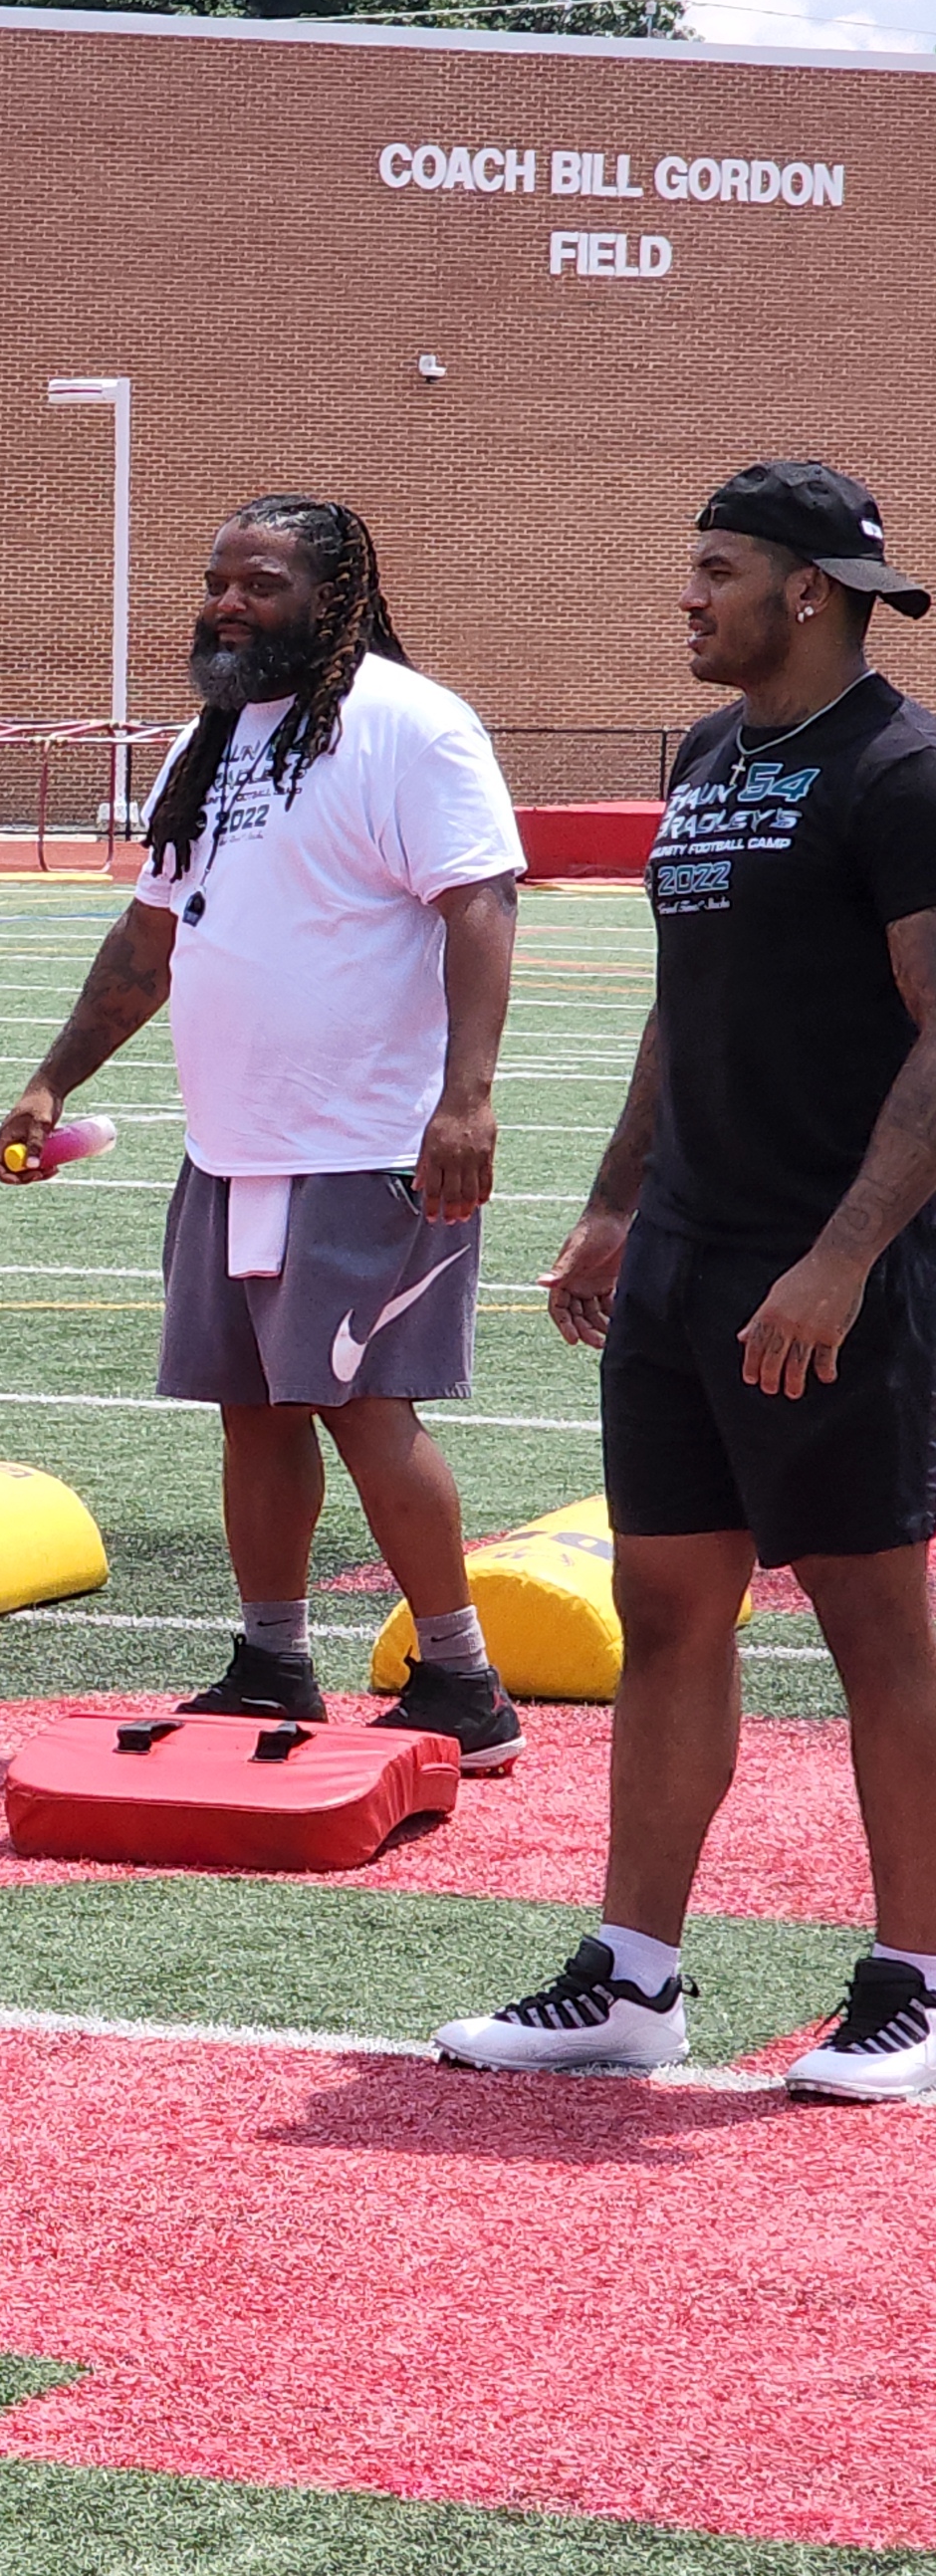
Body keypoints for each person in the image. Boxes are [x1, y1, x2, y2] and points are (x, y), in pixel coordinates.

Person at [441, 462, 936, 2101]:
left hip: (839, 1272)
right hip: (684, 1263)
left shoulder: (904, 770)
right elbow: (683, 1001)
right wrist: (610, 1206)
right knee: (666, 1613)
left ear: (808, 589)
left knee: (880, 1632)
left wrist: (844, 1258)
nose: (689, 595)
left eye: (716, 570)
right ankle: (634, 1978)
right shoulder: (713, 755)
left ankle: (916, 1979)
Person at [0, 497, 527, 1770]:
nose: (228, 604)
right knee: (250, 1408)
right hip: (232, 1140)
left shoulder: (413, 725)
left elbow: (480, 907)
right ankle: (273, 1658)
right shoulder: (216, 739)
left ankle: (462, 1681)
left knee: (364, 1409)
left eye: (263, 584)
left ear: (333, 597)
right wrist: (51, 1079)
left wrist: (466, 1101)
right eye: (218, 580)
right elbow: (148, 942)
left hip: (371, 1138)